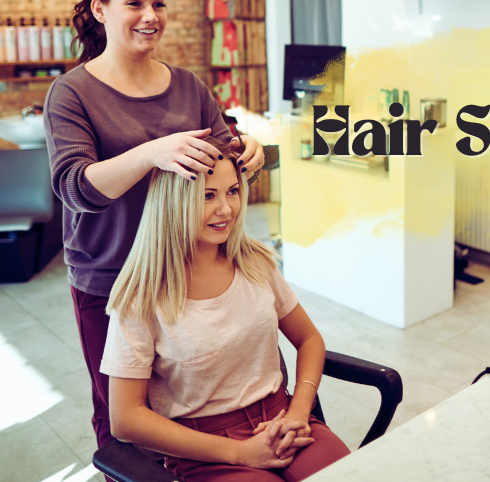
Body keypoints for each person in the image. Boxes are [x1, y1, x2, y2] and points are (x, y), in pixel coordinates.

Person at [43, 0, 265, 459]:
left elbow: (221, 157)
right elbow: (74, 187)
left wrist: (248, 149)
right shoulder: (72, 93)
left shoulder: (188, 85)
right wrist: (150, 153)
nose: (151, 17)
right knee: (123, 415)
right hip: (114, 279)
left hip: (193, 270)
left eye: (159, 4)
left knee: (199, 400)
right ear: (100, 9)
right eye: (135, 3)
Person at [100, 137, 350, 481]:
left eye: (232, 191)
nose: (226, 209)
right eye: (207, 196)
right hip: (205, 448)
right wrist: (240, 453)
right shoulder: (140, 299)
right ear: (174, 202)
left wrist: (298, 411)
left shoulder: (255, 263)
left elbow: (309, 339)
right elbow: (125, 419)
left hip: (282, 420)